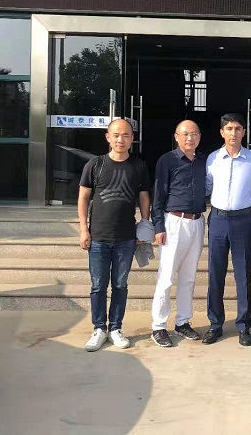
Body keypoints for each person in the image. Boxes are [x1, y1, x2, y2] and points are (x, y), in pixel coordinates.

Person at [78, 119, 150, 352]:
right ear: (108, 137)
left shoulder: (138, 166)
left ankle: (116, 328)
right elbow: (83, 198)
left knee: (120, 285)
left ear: (132, 138)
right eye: (116, 135)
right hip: (98, 237)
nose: (121, 139)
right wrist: (84, 229)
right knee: (98, 286)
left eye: (126, 135)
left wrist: (144, 225)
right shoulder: (95, 164)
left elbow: (144, 198)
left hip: (126, 238)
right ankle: (99, 328)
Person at [203, 113, 251, 346]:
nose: (234, 133)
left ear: (244, 132)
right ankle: (215, 324)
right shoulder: (212, 159)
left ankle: (243, 326)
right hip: (218, 219)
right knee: (215, 273)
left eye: (238, 128)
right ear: (222, 132)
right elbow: (207, 187)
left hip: (243, 220)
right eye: (229, 128)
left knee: (243, 274)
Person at [150, 120, 207, 347]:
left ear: (199, 137)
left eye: (194, 134)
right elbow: (158, 196)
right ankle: (158, 326)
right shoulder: (167, 161)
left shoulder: (204, 161)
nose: (189, 138)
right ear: (176, 136)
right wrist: (158, 227)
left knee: (189, 276)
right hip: (174, 222)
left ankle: (183, 322)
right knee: (166, 277)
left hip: (197, 222)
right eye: (185, 134)